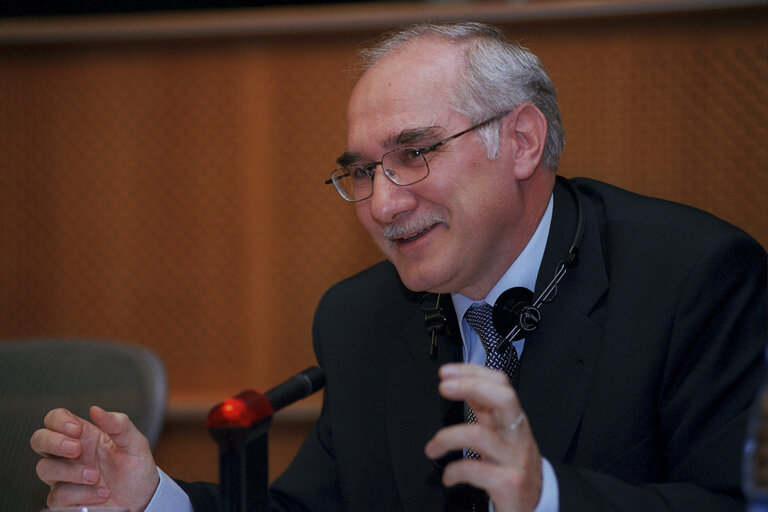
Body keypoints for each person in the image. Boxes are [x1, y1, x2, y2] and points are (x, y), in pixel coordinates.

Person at [31, 22, 767, 512]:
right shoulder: (360, 317)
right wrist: (150, 496)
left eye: (414, 155)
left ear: (521, 142)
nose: (382, 204)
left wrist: (542, 494)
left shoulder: (694, 280)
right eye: (361, 172)